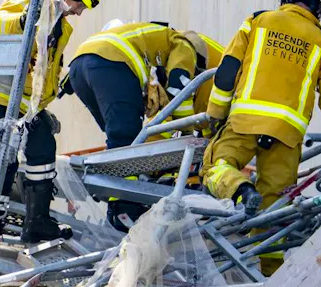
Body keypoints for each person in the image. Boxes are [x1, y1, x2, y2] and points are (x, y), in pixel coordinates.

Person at [201, 0, 321, 274]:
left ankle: (241, 189)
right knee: (274, 206)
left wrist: (215, 113)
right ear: (317, 12)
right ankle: (270, 278)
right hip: (287, 135)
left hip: (245, 121)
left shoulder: (258, 21)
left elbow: (228, 69)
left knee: (215, 167)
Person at [0, 0, 104, 251]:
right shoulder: (31, 1)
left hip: (26, 107)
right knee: (4, 161)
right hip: (2, 97)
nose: (80, 11)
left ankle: (37, 224)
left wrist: (56, 92)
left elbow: (43, 73)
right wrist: (25, 20)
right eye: (81, 3)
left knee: (43, 146)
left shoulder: (61, 26)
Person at [63, 21, 223, 231]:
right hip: (109, 64)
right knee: (126, 140)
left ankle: (118, 203)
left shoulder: (154, 44)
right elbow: (179, 93)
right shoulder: (185, 46)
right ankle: (124, 205)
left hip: (78, 69)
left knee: (118, 139)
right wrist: (188, 136)